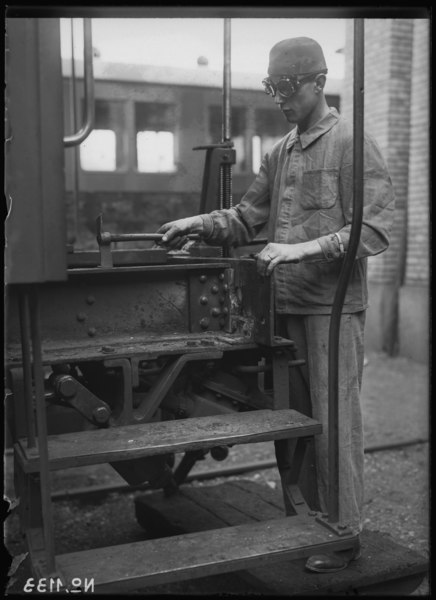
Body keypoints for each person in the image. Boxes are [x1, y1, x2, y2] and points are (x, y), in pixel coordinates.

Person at [157, 37, 395, 573]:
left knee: (334, 423)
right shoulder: (281, 151)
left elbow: (376, 228)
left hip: (330, 314)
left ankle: (343, 533)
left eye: (288, 87)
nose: (280, 99)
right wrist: (197, 224)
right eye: (272, 88)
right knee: (295, 425)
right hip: (283, 311)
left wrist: (302, 247)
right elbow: (246, 217)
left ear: (318, 82)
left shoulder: (352, 143)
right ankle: (304, 522)